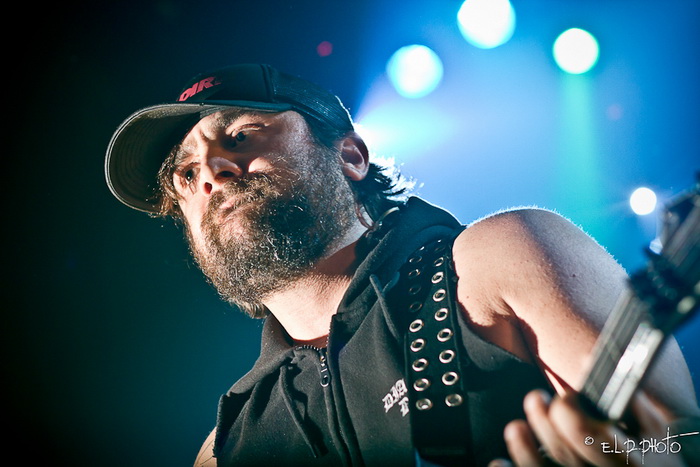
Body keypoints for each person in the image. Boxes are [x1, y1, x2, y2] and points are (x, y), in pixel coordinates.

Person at [105, 63, 699, 466]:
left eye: (240, 136)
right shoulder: (228, 446)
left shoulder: (498, 261)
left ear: (350, 156)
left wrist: (638, 458)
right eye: (186, 174)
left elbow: (682, 441)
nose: (210, 172)